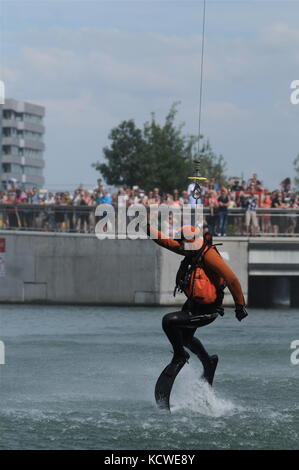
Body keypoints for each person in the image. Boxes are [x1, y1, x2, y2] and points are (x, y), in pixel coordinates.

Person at [146, 222, 248, 409]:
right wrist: (146, 227)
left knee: (169, 322)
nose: (180, 245)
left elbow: (232, 279)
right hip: (193, 307)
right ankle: (208, 361)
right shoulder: (190, 250)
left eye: (183, 242)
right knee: (184, 337)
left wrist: (239, 306)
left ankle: (179, 356)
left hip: (207, 311)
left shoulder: (208, 255)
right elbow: (166, 242)